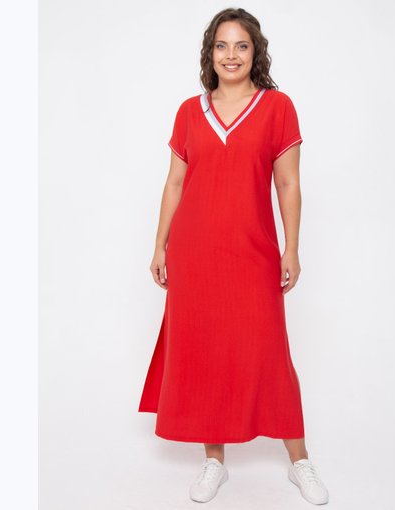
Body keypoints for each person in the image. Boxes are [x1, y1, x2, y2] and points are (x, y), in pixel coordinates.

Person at [138, 7, 329, 506]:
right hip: (195, 253)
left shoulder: (277, 107)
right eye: (221, 46)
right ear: (210, 53)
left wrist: (291, 247)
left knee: (270, 354)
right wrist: (159, 245)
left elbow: (288, 183)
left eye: (241, 45)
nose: (231, 55)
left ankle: (300, 461)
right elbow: (175, 182)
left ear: (255, 52)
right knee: (204, 353)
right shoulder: (189, 111)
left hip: (252, 252)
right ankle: (214, 462)